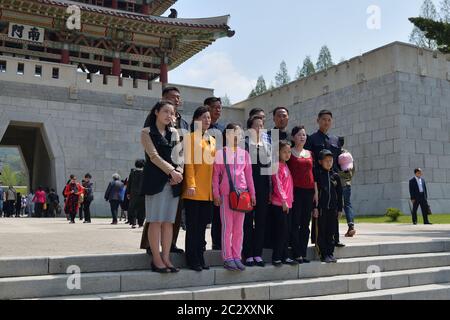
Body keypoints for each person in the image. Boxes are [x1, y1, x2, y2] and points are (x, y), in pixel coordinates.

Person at [141, 86, 188, 255]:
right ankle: (151, 248)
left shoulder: (182, 123)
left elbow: (181, 151)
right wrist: (172, 171)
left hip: (175, 177)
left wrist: (179, 171)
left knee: (170, 218)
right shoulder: (150, 126)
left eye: (178, 97)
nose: (177, 99)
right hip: (157, 174)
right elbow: (153, 154)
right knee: (155, 217)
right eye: (173, 97)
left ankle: (169, 248)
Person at [213, 123, 256, 271]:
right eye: (234, 134)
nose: (237, 137)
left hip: (243, 196)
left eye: (239, 135)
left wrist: (252, 194)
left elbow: (249, 176)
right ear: (227, 136)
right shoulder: (220, 153)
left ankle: (237, 256)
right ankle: (227, 257)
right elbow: (215, 176)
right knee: (227, 228)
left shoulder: (245, 154)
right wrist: (216, 194)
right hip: (226, 195)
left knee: (239, 229)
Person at [305, 109, 345, 248]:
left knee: (333, 208)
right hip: (319, 178)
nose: (326, 122)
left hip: (333, 178)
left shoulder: (335, 139)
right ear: (318, 121)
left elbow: (339, 160)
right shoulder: (311, 138)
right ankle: (318, 239)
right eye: (323, 119)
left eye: (329, 120)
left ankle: (335, 238)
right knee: (320, 210)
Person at [183, 106, 216, 271]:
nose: (207, 120)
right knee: (193, 227)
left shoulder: (212, 139)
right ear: (196, 120)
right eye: (204, 117)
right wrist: (191, 184)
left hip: (207, 192)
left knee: (202, 227)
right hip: (193, 190)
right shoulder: (190, 138)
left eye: (209, 118)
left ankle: (200, 256)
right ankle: (192, 259)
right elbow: (188, 164)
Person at [243, 115, 272, 267]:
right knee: (247, 222)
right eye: (257, 126)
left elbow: (269, 170)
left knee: (261, 222)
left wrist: (270, 191)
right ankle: (247, 254)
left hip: (263, 188)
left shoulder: (267, 146)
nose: (260, 128)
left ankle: (257, 254)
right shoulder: (245, 144)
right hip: (247, 188)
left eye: (262, 126)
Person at [287, 126, 318, 264]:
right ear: (293, 137)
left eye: (304, 135)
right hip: (295, 191)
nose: (302, 137)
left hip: (309, 191)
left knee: (306, 224)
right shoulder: (290, 153)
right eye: (299, 135)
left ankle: (303, 252)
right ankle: (296, 253)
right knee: (296, 223)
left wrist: (316, 192)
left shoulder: (310, 153)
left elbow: (314, 174)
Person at [313, 149, 344, 263]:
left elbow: (340, 193)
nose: (329, 163)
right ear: (320, 161)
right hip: (321, 209)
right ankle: (323, 253)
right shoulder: (317, 174)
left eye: (331, 161)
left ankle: (330, 253)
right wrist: (314, 207)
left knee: (331, 231)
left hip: (333, 209)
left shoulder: (335, 176)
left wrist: (340, 209)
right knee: (322, 231)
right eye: (326, 161)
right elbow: (314, 192)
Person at [271, 140, 297, 267]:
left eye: (289, 152)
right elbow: (278, 185)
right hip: (280, 204)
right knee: (281, 231)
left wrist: (290, 201)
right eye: (284, 152)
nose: (287, 154)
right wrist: (284, 201)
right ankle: (276, 257)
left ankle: (285, 256)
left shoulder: (286, 165)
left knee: (287, 231)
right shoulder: (276, 165)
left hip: (288, 204)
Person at [205, 97, 225, 251]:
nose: (218, 110)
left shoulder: (222, 129)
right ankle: (200, 245)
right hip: (202, 175)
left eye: (220, 107)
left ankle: (217, 242)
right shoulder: (198, 128)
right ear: (207, 108)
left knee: (218, 211)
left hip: (219, 175)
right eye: (214, 107)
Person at [338, 137, 356, 237]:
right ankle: (351, 226)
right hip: (347, 184)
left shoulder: (336, 154)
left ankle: (334, 228)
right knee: (348, 205)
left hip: (338, 184)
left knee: (337, 205)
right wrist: (349, 178)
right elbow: (354, 169)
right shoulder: (348, 154)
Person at [127, 160, 146, 228]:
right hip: (143, 193)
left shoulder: (132, 173)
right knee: (142, 209)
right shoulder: (145, 173)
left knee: (133, 208)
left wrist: (128, 193)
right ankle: (140, 223)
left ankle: (133, 223)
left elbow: (129, 183)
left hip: (133, 193)